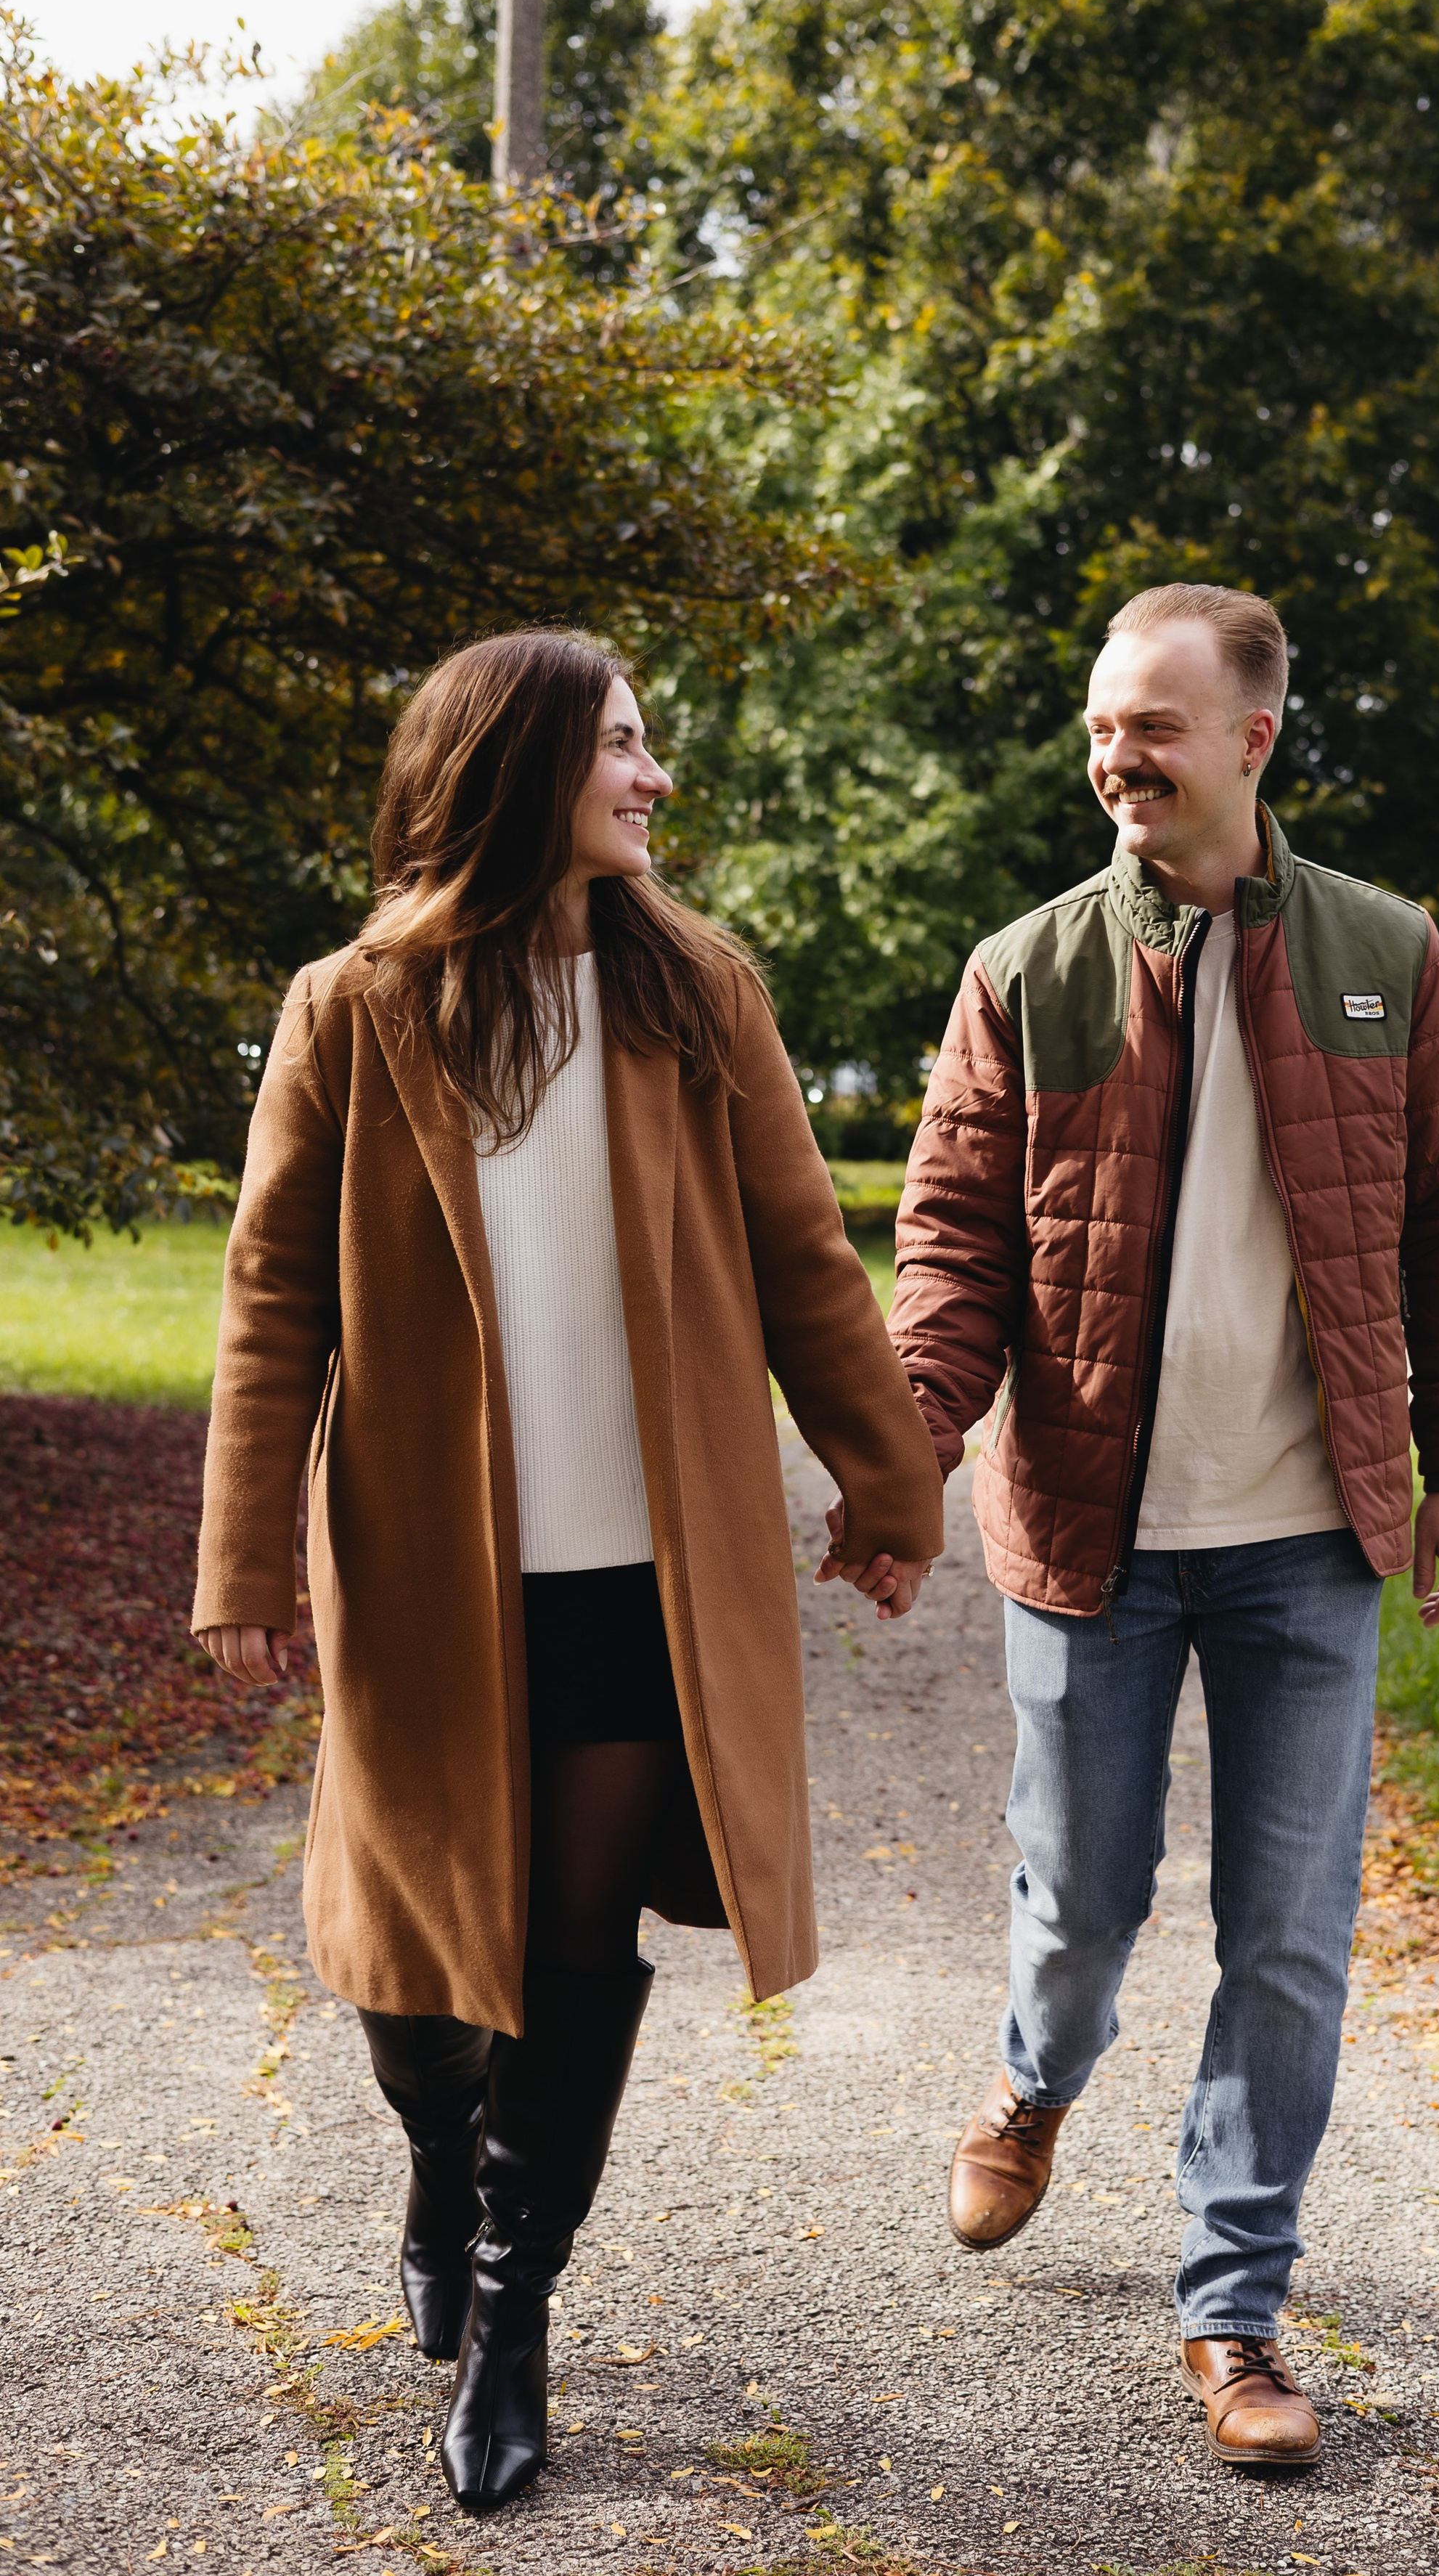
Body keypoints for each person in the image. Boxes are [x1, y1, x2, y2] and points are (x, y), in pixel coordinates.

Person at [192, 629, 942, 2514]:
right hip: (432, 1576)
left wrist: (891, 1481)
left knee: (569, 1950)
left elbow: (804, 1255)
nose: (655, 777)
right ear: (521, 764)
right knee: (413, 1975)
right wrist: (244, 1555)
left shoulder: (696, 996)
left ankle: (515, 2317)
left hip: (645, 1572)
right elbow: (275, 1296)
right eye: (623, 745)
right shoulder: (355, 1008)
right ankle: (443, 2160)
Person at [881, 582, 1439, 2468]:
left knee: (1293, 1934)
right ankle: (1028, 2078)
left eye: (1149, 725)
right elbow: (954, 1241)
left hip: (1309, 1539)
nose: (1112, 755)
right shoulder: (1032, 971)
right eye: (1099, 724)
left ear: (1254, 738)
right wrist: (908, 1436)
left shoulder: (1387, 961)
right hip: (1092, 1534)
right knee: (1083, 1906)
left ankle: (1235, 2311)